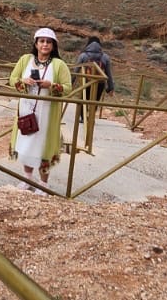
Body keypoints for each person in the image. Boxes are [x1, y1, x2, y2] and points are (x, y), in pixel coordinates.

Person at [9, 27, 72, 188]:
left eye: (48, 42)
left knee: (43, 147)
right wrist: (23, 82)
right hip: (26, 110)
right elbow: (12, 79)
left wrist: (51, 85)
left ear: (53, 45)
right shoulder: (25, 60)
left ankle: (43, 184)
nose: (45, 44)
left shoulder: (59, 65)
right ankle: (28, 177)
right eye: (42, 41)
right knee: (26, 143)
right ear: (36, 44)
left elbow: (67, 88)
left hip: (47, 114)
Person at [73, 37, 115, 124]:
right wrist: (110, 87)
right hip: (100, 83)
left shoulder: (83, 56)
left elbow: (76, 71)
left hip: (86, 82)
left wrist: (70, 83)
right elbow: (108, 74)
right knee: (95, 101)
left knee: (83, 100)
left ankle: (83, 118)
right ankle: (91, 118)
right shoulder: (105, 57)